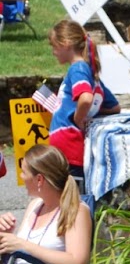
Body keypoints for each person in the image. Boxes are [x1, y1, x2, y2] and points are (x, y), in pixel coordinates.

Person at [0, 144, 91, 264]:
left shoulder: (76, 210)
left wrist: (22, 245)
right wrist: (7, 236)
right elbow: (20, 253)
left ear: (39, 179)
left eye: (24, 172)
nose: (21, 178)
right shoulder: (35, 206)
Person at [46, 19, 119, 171]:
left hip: (68, 145)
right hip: (72, 148)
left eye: (54, 46)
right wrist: (82, 111)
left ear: (65, 43)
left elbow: (85, 98)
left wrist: (78, 118)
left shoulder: (77, 68)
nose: (53, 52)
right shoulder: (91, 75)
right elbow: (114, 107)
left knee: (70, 193)